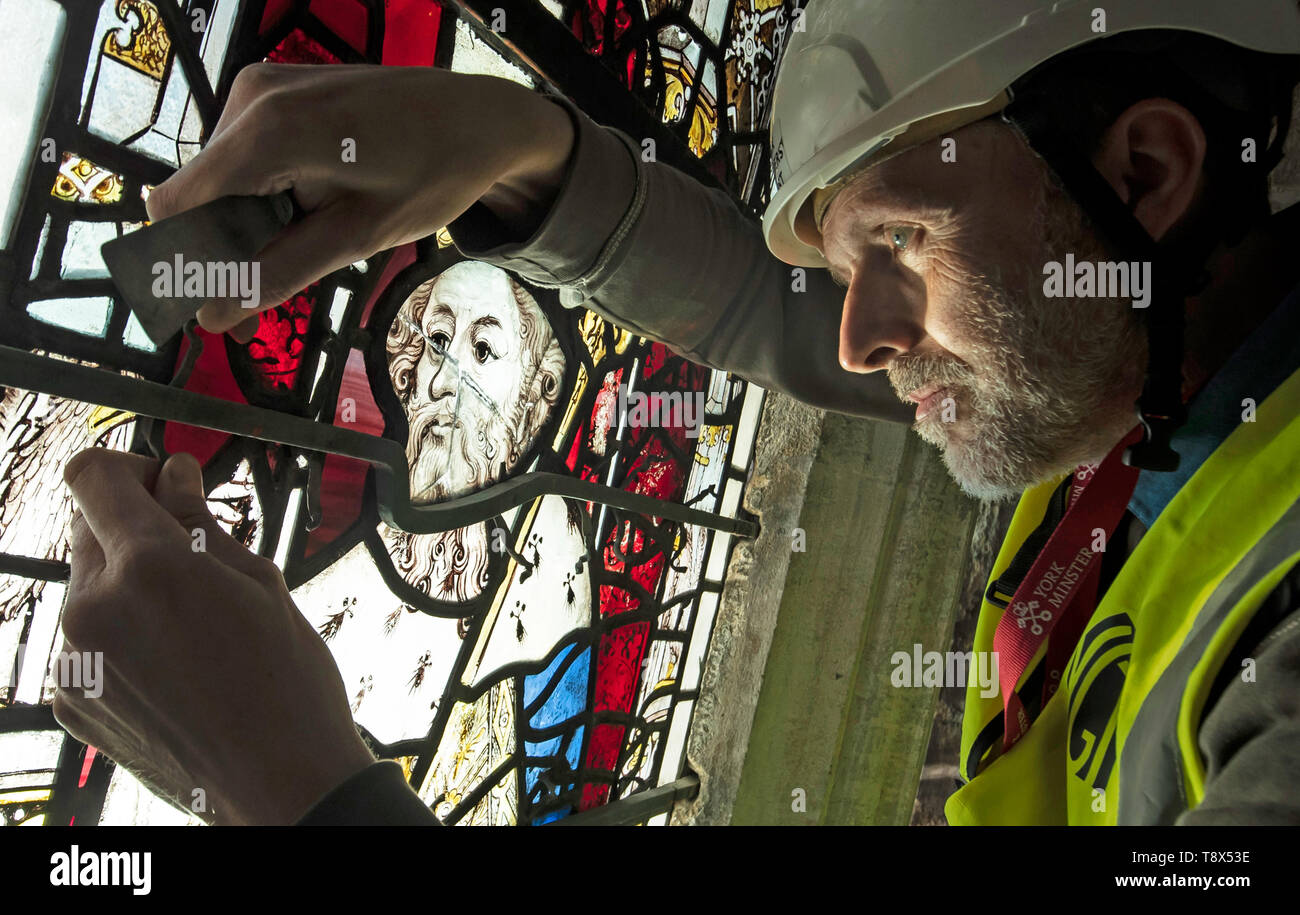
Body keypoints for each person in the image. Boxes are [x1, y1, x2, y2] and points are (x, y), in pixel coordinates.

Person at [55, 0, 1300, 825]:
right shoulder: (1157, 384)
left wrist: (299, 789)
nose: (862, 343)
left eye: (904, 242)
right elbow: (775, 314)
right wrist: (512, 151)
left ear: (1144, 175)